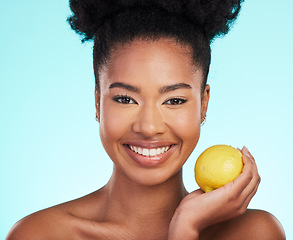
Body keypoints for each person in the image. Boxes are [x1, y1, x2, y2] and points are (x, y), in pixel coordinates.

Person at [6, 0, 285, 239]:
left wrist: (186, 227)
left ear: (203, 104)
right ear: (97, 102)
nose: (149, 127)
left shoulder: (253, 233)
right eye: (125, 99)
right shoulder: (39, 234)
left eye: (174, 100)